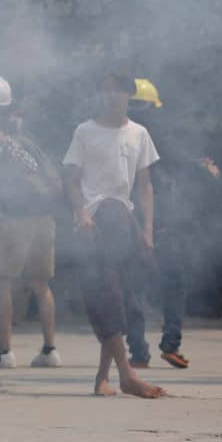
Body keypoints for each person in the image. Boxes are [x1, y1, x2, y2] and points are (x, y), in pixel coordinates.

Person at [62, 72, 166, 400]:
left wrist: (147, 230)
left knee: (119, 298)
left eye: (117, 91)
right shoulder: (85, 131)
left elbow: (146, 186)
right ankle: (127, 374)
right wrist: (80, 213)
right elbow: (71, 180)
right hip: (94, 220)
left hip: (124, 220)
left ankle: (104, 378)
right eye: (105, 90)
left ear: (127, 95)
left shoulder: (139, 133)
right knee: (104, 295)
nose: (110, 96)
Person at [0, 75, 62, 387]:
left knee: (2, 283)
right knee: (40, 284)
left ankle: (4, 350)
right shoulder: (23, 137)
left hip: (13, 219)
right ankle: (50, 349)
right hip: (43, 218)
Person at [125, 78, 204, 370]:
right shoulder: (162, 135)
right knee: (173, 284)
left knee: (132, 286)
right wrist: (203, 165)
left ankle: (138, 351)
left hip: (127, 217)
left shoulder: (122, 133)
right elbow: (187, 168)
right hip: (163, 220)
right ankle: (170, 344)